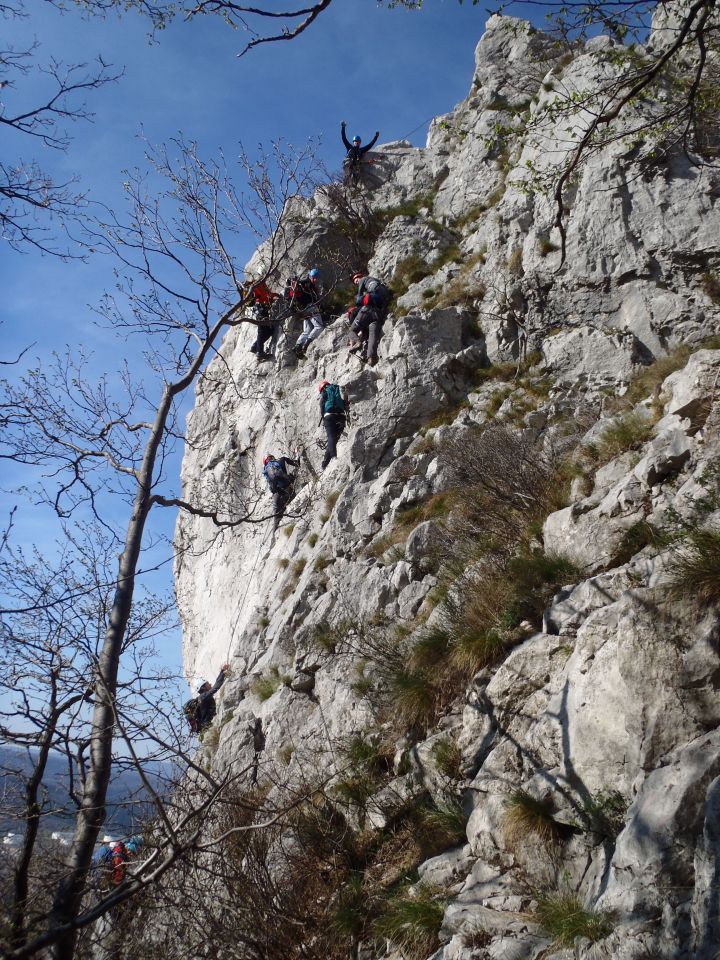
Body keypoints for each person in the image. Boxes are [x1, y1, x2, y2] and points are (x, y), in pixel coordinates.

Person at [347, 271, 393, 366]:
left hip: (368, 310)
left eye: (356, 280)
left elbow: (359, 298)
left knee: (351, 331)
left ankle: (357, 341)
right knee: (373, 336)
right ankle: (371, 357)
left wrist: (358, 302)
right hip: (379, 314)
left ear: (359, 277)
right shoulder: (377, 283)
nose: (357, 282)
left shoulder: (364, 279)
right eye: (356, 282)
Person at [287, 269, 324, 359]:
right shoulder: (306, 284)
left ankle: (298, 345)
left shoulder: (304, 284)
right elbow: (311, 298)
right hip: (310, 307)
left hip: (303, 310)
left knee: (307, 330)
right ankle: (307, 342)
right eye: (314, 278)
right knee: (319, 327)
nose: (315, 280)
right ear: (310, 276)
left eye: (316, 278)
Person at [244, 279, 281, 362]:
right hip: (260, 309)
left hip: (262, 309)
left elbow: (267, 295)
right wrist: (272, 296)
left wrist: (275, 295)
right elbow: (264, 296)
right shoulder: (256, 286)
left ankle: (255, 346)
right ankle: (260, 352)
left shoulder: (261, 285)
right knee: (262, 330)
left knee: (269, 331)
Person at [190, 664, 230, 736]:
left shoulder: (203, 697)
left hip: (208, 726)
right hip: (208, 728)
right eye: (207, 684)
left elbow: (214, 686)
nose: (210, 684)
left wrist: (222, 672)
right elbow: (215, 687)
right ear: (203, 687)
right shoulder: (203, 697)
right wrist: (222, 673)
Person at [262, 453, 300, 528]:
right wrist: (289, 478)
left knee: (277, 513)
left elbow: (274, 475)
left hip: (279, 492)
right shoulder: (281, 460)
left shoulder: (269, 466)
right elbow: (296, 464)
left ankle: (275, 531)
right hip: (288, 487)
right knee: (295, 504)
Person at [317, 380, 348, 470]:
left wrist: (324, 417)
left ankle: (334, 457)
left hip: (329, 416)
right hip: (341, 416)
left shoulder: (325, 392)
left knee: (331, 437)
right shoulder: (335, 390)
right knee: (333, 440)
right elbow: (343, 403)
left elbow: (322, 406)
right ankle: (324, 463)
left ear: (322, 388)